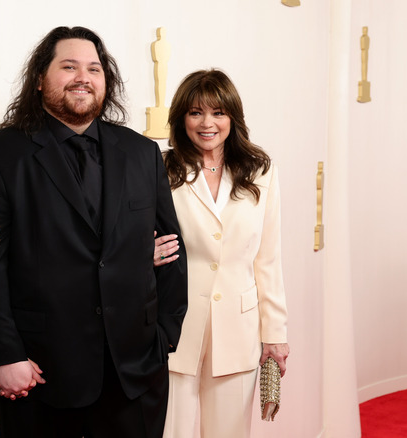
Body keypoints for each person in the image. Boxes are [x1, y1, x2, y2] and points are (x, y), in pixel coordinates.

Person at [0, 26, 188, 438]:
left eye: (94, 68)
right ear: (40, 79)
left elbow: (172, 252)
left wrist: (163, 337)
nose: (83, 77)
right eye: (68, 66)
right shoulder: (1, 153)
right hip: (38, 372)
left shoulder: (142, 152)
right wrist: (6, 353)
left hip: (135, 370)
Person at [156, 69, 289, 438]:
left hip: (239, 328)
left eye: (218, 112)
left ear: (233, 117)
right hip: (173, 326)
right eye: (195, 112)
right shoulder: (160, 168)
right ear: (181, 118)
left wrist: (275, 332)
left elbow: (268, 258)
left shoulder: (260, 171)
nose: (207, 123)